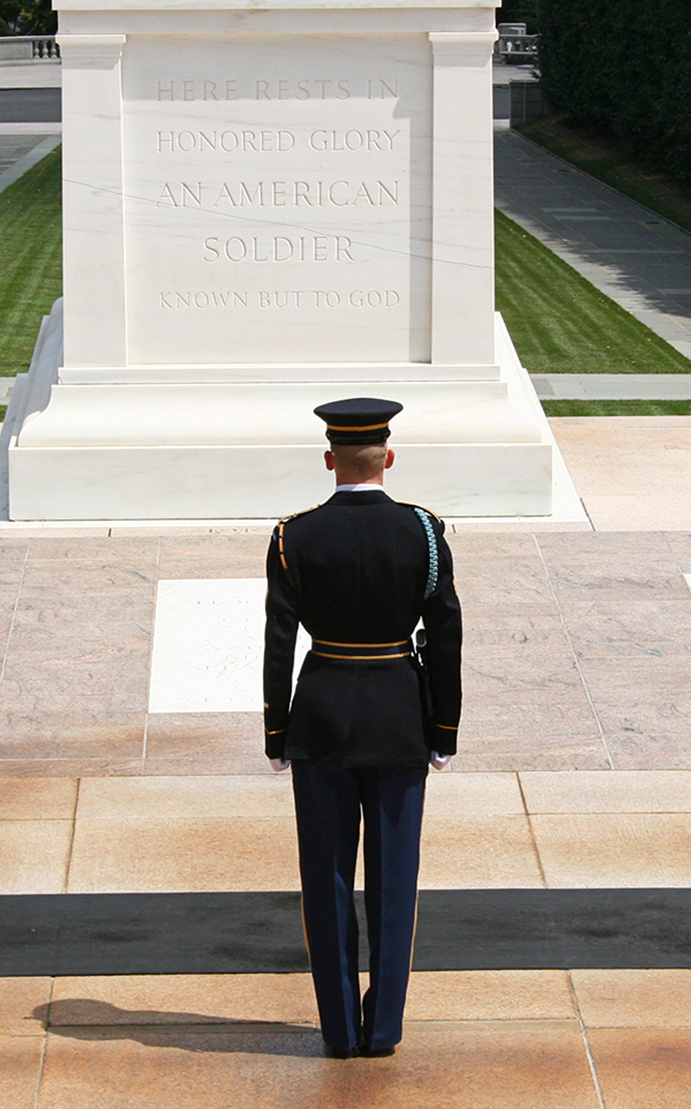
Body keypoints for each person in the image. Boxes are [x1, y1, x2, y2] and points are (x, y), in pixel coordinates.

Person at [262, 396, 463, 1059]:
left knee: (324, 882)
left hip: (319, 719)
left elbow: (278, 642)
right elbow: (446, 634)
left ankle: (340, 1032)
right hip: (401, 717)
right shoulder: (424, 532)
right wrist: (444, 729)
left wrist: (276, 732)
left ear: (329, 461)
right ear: (390, 458)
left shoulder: (294, 535)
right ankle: (383, 1031)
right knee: (393, 884)